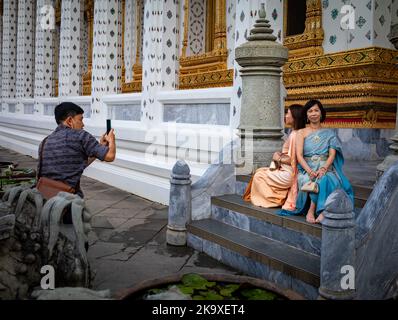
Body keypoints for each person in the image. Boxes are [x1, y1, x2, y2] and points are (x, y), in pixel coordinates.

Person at [279, 99, 354, 224]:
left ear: (321, 113)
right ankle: (319, 210)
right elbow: (299, 155)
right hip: (306, 168)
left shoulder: (330, 133)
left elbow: (332, 155)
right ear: (307, 115)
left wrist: (324, 168)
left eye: (316, 110)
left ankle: (316, 210)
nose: (313, 113)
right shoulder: (301, 132)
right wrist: (309, 171)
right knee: (315, 179)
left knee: (324, 178)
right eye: (310, 111)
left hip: (326, 167)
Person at [37, 102, 116, 199]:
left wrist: (99, 148)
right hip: (68, 200)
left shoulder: (45, 142)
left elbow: (76, 166)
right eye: (80, 120)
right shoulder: (81, 136)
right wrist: (112, 139)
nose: (83, 124)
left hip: (44, 196)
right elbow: (110, 156)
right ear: (70, 120)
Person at [243, 104, 305, 209]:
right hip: (287, 171)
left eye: (287, 113)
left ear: (294, 117)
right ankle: (277, 197)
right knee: (260, 171)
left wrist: (278, 158)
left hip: (289, 174)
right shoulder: (295, 132)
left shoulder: (295, 135)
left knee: (259, 176)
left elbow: (294, 160)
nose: (285, 116)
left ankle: (275, 200)